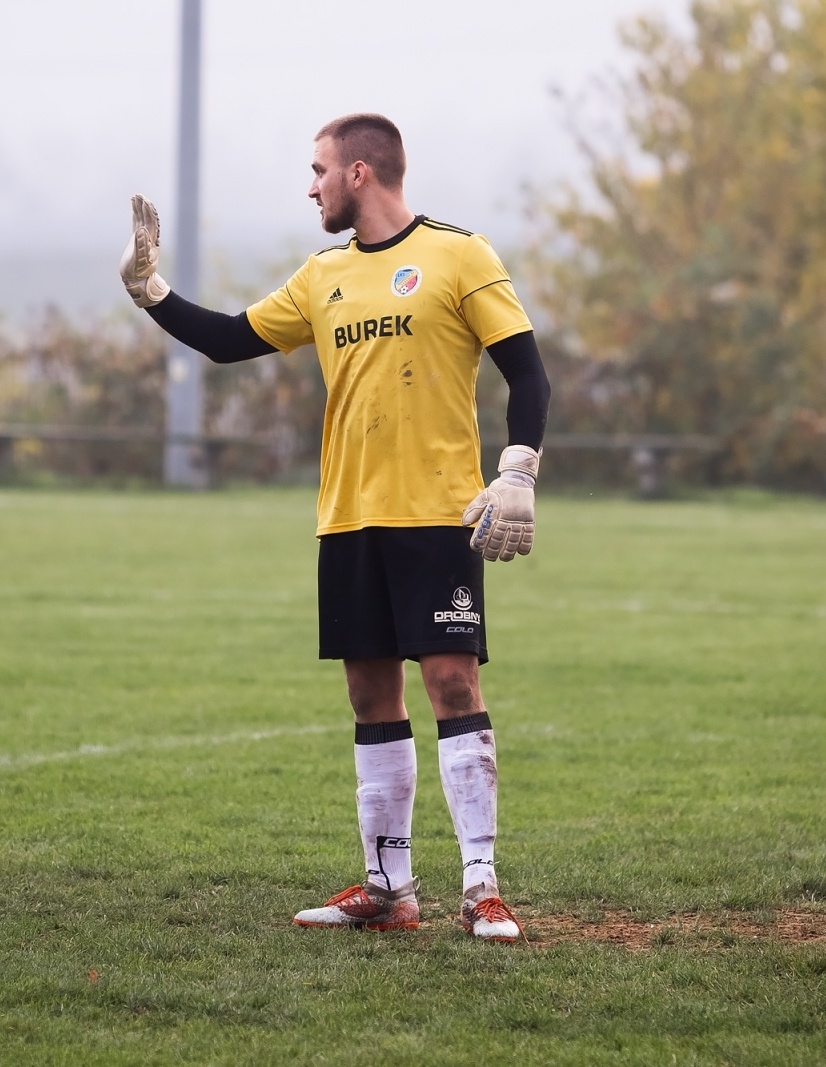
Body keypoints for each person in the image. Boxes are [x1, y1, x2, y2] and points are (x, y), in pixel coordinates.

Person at [119, 113, 549, 941]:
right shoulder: (322, 276)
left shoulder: (461, 254)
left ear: (359, 172)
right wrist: (152, 293)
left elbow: (526, 371)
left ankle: (483, 887)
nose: (309, 184)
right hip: (348, 520)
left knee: (453, 684)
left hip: (437, 517)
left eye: (318, 169)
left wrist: (519, 468)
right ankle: (390, 889)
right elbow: (229, 340)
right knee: (368, 693)